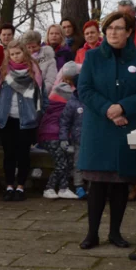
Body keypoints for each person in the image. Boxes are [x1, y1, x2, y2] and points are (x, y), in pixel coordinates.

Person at [78, 12, 136, 250]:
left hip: (127, 126)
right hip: (99, 127)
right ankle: (92, 234)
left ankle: (115, 233)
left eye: (119, 28)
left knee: (121, 182)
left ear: (129, 32)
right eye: (109, 28)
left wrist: (122, 107)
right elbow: (84, 89)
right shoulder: (92, 57)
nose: (113, 32)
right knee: (98, 183)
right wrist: (108, 109)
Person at [0, 41, 43, 202]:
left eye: (18, 53)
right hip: (7, 118)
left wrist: (38, 114)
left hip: (26, 119)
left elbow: (42, 95)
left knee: (23, 154)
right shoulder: (3, 71)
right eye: (12, 54)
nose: (15, 56)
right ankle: (9, 186)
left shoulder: (33, 71)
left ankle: (20, 186)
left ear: (24, 53)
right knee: (9, 154)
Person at [39, 61, 81, 200]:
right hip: (51, 134)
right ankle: (49, 188)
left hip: (56, 134)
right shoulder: (65, 90)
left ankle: (63, 188)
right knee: (61, 164)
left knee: (67, 161)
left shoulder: (61, 87)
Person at [59, 63, 86, 199]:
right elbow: (65, 122)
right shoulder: (73, 103)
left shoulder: (94, 101)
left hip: (93, 139)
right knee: (78, 163)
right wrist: (64, 138)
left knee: (93, 164)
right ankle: (79, 186)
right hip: (78, 139)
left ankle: (94, 186)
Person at [22, 31, 58, 96]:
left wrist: (39, 94)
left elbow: (50, 80)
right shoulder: (22, 59)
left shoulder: (49, 59)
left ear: (39, 45)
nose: (31, 50)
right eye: (28, 47)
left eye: (34, 47)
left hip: (42, 94)